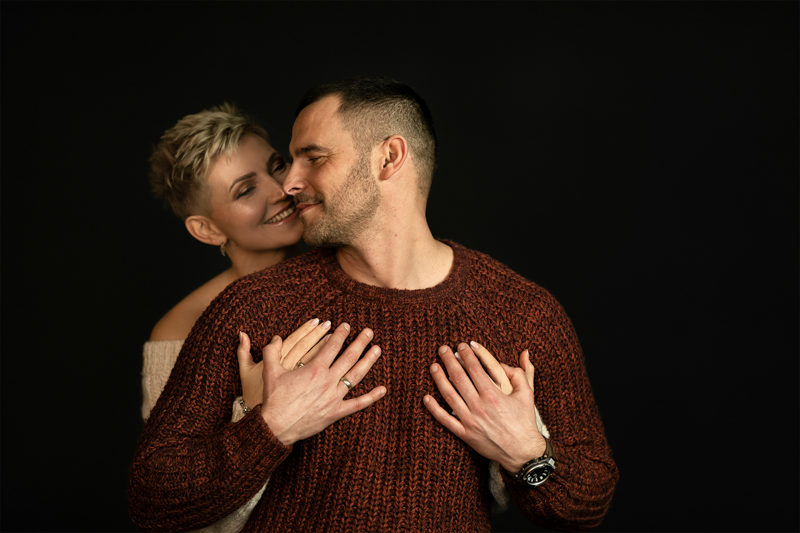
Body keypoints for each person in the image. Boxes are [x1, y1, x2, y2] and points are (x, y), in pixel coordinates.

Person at [129, 77, 618, 532]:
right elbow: (152, 498)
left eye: (312, 158)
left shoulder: (522, 313)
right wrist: (269, 426)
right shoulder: (250, 307)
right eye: (291, 161)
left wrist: (527, 453)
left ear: (388, 158)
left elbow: (589, 501)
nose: (289, 184)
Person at [142, 103, 336, 532]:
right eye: (245, 190)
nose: (282, 189)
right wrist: (252, 411)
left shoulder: (350, 271)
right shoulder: (182, 329)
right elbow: (182, 508)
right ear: (207, 229)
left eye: (276, 166)